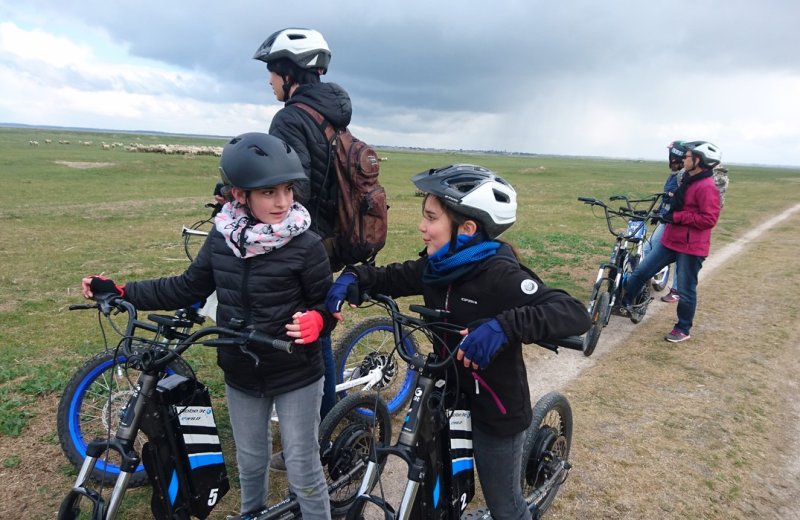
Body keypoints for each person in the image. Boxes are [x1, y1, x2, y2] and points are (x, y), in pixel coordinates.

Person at [83, 133, 334, 520]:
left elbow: (327, 305)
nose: (283, 202)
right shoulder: (222, 237)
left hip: (295, 370)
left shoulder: (306, 244)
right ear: (239, 194)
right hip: (240, 367)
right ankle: (253, 514)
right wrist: (123, 291)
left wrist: (319, 320)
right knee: (251, 462)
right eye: (269, 192)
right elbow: (187, 287)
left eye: (288, 190)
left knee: (303, 468)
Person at [324, 164, 591, 520]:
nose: (422, 227)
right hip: (446, 398)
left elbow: (573, 313)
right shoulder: (437, 268)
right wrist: (356, 277)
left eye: (431, 218)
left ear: (466, 229)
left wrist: (504, 326)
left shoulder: (500, 274)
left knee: (504, 506)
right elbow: (392, 276)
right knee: (437, 494)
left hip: (495, 410)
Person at [250, 28, 354, 438]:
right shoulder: (331, 115)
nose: (270, 81)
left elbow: (295, 188)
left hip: (304, 242)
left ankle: (321, 431)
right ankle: (317, 420)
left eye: (273, 72)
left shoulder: (291, 117)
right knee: (313, 325)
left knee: (311, 331)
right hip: (329, 238)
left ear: (290, 73)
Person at [621, 141, 722, 343]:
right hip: (671, 241)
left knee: (685, 290)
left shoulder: (706, 187)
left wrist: (677, 217)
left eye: (687, 156)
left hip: (691, 247)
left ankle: (683, 328)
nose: (683, 159)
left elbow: (709, 219)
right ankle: (624, 303)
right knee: (641, 272)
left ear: (698, 161)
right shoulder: (686, 180)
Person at [647, 140, 688, 303]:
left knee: (681, 256)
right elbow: (666, 199)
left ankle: (677, 290)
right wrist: (658, 211)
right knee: (649, 246)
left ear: (675, 156)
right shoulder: (675, 175)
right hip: (666, 219)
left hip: (678, 221)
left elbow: (681, 201)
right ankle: (644, 277)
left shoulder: (684, 177)